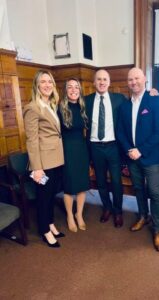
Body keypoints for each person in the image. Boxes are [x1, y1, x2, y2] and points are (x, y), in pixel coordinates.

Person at [117, 67, 159, 252]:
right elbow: (120, 131)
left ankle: (157, 230)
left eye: (137, 78)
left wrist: (140, 150)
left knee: (154, 193)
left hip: (151, 158)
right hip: (132, 157)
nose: (134, 82)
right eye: (130, 79)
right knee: (138, 189)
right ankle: (142, 216)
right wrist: (129, 150)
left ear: (144, 79)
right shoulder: (124, 106)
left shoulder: (156, 101)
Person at [23, 70, 64, 248]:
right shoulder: (32, 107)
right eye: (43, 82)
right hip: (43, 162)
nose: (47, 85)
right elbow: (31, 140)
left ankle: (50, 224)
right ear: (37, 86)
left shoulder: (52, 105)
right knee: (43, 197)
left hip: (56, 159)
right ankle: (44, 230)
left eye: (50, 82)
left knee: (51, 195)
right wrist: (37, 168)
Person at [85, 69, 126, 228]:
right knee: (101, 181)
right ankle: (107, 208)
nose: (102, 82)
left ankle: (118, 211)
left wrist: (151, 93)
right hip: (95, 147)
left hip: (113, 146)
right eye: (99, 79)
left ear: (109, 82)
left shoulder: (119, 99)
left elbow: (137, 101)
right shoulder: (86, 100)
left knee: (116, 181)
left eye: (105, 79)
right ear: (94, 82)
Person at [58, 78, 89, 232]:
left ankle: (79, 214)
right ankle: (70, 215)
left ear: (80, 89)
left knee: (82, 185)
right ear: (65, 90)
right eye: (70, 87)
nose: (73, 90)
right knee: (69, 186)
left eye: (76, 87)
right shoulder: (60, 107)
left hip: (82, 150)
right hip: (67, 150)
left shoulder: (83, 106)